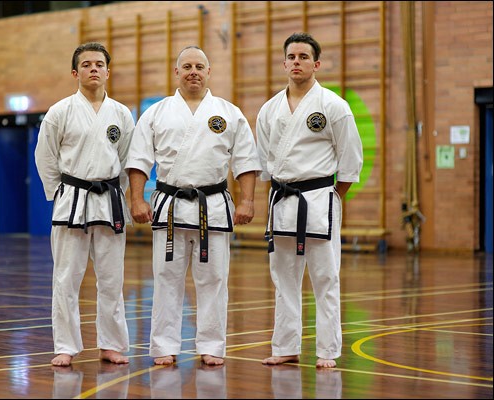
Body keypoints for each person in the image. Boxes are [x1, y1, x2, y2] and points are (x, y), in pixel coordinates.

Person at [126, 45, 262, 366]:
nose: (193, 72)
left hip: (212, 206)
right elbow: (138, 161)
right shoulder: (157, 112)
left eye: (199, 66)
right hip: (170, 206)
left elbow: (246, 161)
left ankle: (212, 345)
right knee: (165, 279)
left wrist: (248, 200)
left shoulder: (228, 112)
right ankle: (163, 346)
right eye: (186, 66)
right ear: (176, 72)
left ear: (209, 72)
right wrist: (136, 199)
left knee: (214, 280)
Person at [256, 32, 363, 368]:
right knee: (283, 279)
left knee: (326, 279)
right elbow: (265, 162)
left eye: (304, 57)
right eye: (292, 57)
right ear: (284, 62)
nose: (297, 62)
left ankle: (327, 350)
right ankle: (286, 346)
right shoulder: (269, 109)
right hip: (282, 199)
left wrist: (329, 197)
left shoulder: (333, 106)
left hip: (319, 200)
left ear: (316, 64)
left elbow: (350, 162)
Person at [35, 42, 134, 366]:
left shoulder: (120, 114)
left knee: (111, 278)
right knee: (66, 277)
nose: (94, 69)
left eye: (99, 64)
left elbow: (126, 159)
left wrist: (120, 195)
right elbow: (45, 157)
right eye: (87, 64)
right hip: (72, 201)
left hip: (109, 200)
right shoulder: (60, 112)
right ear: (75, 73)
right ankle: (65, 346)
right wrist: (58, 193)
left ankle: (111, 343)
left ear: (108, 71)